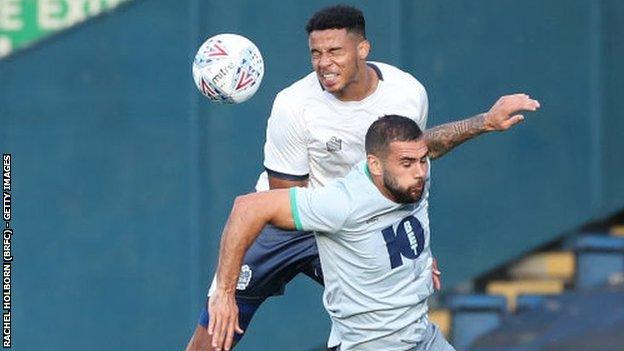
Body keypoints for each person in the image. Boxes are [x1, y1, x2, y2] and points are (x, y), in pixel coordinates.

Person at [185, 4, 540, 351]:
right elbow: (283, 196)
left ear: (363, 49)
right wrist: (226, 293)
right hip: (293, 219)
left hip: (354, 219)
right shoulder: (293, 105)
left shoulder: (406, 93)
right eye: (316, 53)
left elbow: (414, 153)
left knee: (393, 324)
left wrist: (485, 122)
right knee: (215, 330)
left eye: (335, 51)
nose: (324, 63)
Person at [210, 115, 460, 351]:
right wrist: (224, 292)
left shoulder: (414, 181)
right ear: (374, 164)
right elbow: (247, 208)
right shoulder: (342, 203)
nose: (419, 172)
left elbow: (435, 145)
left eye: (422, 160)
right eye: (407, 163)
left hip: (424, 338)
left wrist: (487, 122)